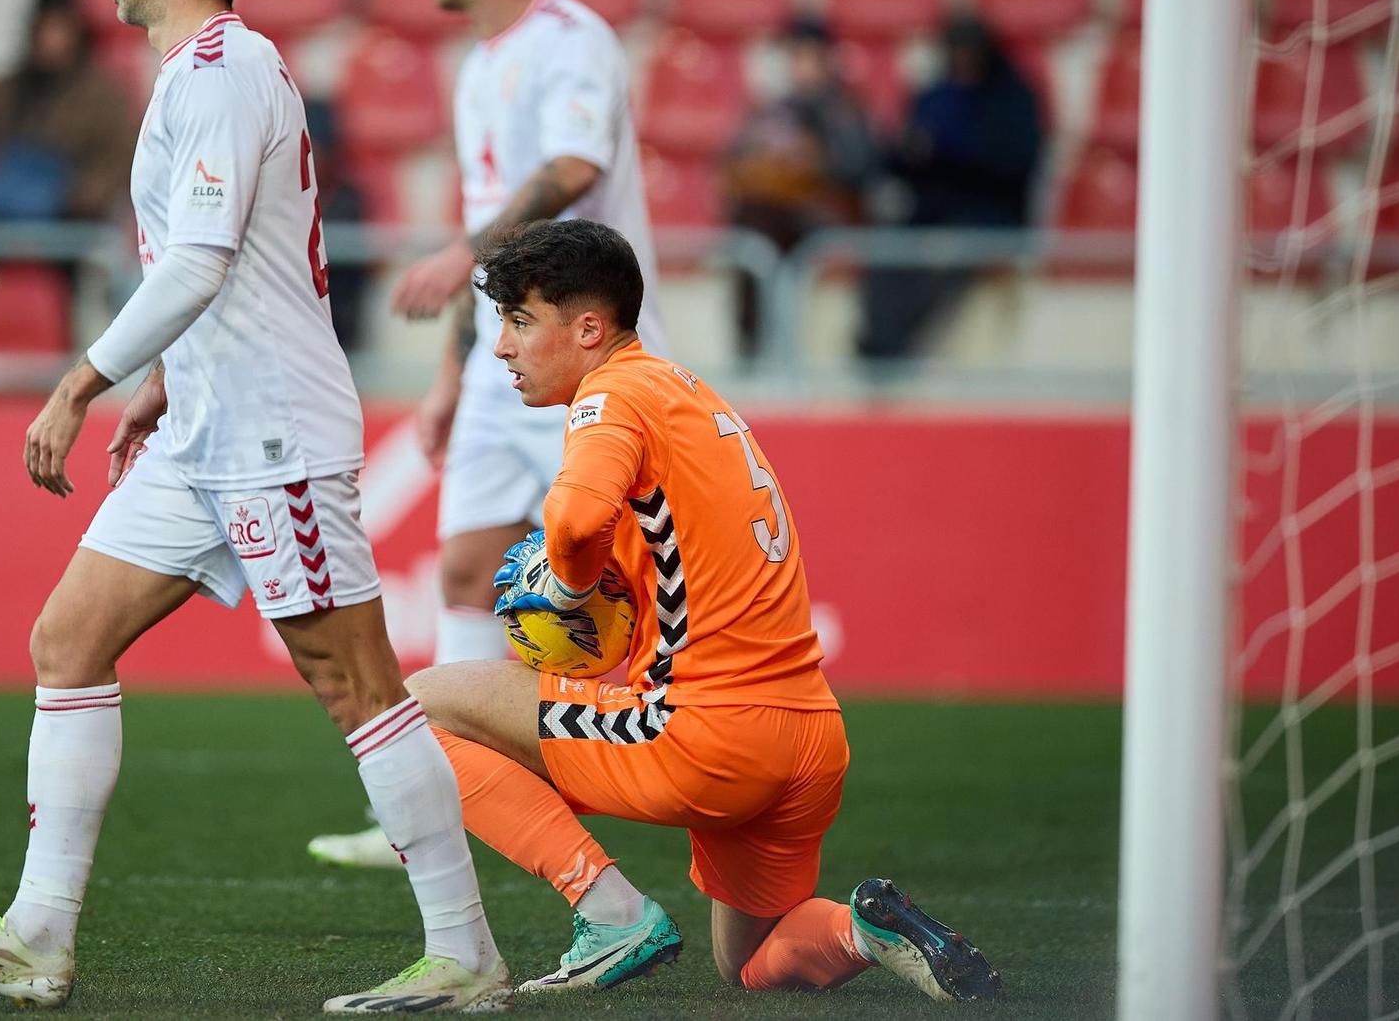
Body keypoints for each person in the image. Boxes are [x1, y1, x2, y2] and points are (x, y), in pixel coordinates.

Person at [0, 0, 508, 1013]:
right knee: (66, 638)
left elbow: (202, 258)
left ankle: (464, 949)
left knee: (357, 684)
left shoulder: (225, 70)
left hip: (272, 432)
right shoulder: (190, 76)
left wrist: (81, 379)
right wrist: (161, 382)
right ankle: (39, 931)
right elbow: (216, 261)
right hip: (204, 427)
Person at [406, 218, 1001, 1001]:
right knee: (748, 963)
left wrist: (570, 585)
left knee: (414, 709)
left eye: (520, 322)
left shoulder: (609, 396)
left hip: (708, 735)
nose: (504, 347)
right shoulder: (685, 390)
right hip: (809, 737)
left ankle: (610, 912)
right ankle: (866, 930)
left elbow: (577, 522)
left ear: (589, 327)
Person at [309, 0, 665, 870]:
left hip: (588, 365)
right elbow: (494, 224)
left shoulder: (569, 41)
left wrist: (467, 262)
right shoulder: (474, 67)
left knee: (617, 583)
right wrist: (452, 371)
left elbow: (569, 173)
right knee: (465, 567)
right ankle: (438, 808)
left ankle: (677, 775)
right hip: (506, 363)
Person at [856, 17, 1043, 361]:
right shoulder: (935, 95)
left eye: (968, 51)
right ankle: (877, 340)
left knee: (948, 258)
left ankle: (894, 347)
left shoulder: (1013, 99)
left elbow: (1014, 164)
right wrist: (906, 153)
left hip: (988, 213)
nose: (961, 59)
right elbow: (903, 160)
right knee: (886, 251)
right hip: (932, 208)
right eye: (955, 51)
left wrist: (951, 152)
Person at [722, 19, 877, 351]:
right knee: (751, 230)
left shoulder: (844, 109)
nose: (802, 66)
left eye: (810, 57)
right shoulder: (776, 109)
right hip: (777, 213)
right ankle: (752, 344)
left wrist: (813, 158)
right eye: (796, 57)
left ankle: (758, 343)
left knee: (759, 224)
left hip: (828, 214)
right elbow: (736, 156)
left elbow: (860, 166)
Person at [0, 0, 134, 233]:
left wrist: (74, 202)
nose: (53, 39)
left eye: (61, 29)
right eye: (46, 28)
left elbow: (117, 160)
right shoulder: (4, 92)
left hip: (70, 239)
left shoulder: (104, 97)